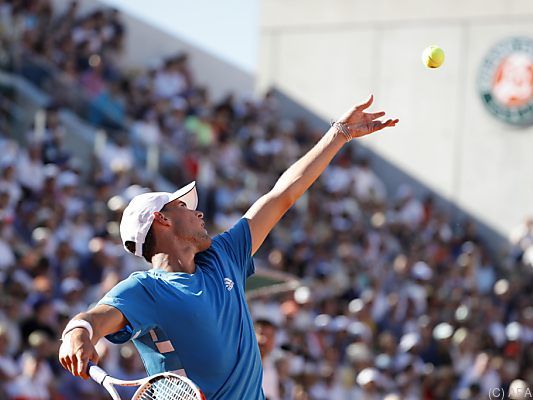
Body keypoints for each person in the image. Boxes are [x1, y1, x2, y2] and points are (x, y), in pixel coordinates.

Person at [58, 95, 398, 399]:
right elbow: (93, 319)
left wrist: (339, 133)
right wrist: (79, 333)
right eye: (185, 208)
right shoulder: (145, 289)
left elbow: (281, 197)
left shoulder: (223, 255)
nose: (199, 212)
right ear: (161, 220)